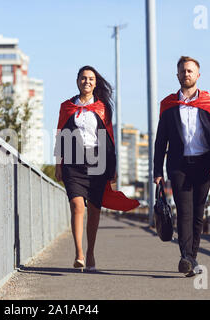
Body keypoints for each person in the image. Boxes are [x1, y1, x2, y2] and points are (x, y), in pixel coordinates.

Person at [54, 66, 138, 272]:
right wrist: (58, 164)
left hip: (97, 163)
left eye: (91, 79)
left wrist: (113, 168)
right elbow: (59, 135)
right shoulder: (66, 107)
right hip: (73, 163)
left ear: (95, 83)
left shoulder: (103, 108)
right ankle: (79, 253)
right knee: (77, 206)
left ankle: (91, 251)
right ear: (77, 81)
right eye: (83, 78)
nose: (87, 82)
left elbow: (110, 139)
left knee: (94, 210)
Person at [153, 56, 210, 277]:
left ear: (198, 75)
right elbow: (160, 141)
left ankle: (192, 256)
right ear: (177, 75)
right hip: (178, 165)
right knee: (184, 211)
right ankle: (186, 257)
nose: (186, 74)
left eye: (190, 71)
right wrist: (157, 171)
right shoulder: (168, 105)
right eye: (183, 71)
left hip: (204, 164)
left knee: (198, 212)